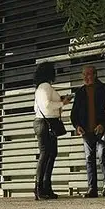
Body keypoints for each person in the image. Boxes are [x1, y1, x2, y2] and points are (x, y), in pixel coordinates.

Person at [69, 63, 105, 198]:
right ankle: (92, 188)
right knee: (89, 159)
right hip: (86, 131)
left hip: (100, 129)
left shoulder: (104, 89)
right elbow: (74, 113)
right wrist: (77, 126)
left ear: (95, 75)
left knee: (102, 157)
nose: (85, 77)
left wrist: (103, 124)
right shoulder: (80, 92)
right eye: (84, 75)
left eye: (88, 74)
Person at [32, 62, 62, 200]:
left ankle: (45, 186)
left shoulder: (41, 87)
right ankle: (40, 187)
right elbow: (47, 105)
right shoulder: (45, 87)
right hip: (46, 123)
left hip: (44, 123)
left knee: (50, 154)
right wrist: (63, 103)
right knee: (46, 154)